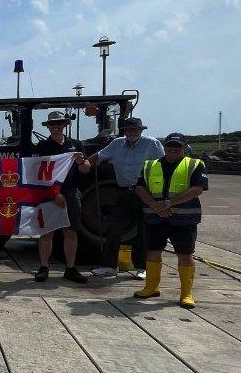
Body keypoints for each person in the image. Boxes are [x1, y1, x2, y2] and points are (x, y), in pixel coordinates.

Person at [133, 133, 208, 308]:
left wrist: (168, 204)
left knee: (184, 255)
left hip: (184, 219)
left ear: (184, 148)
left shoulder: (195, 165)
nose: (173, 149)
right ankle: (151, 287)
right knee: (152, 252)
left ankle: (186, 294)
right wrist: (155, 206)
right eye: (170, 145)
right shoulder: (149, 165)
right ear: (164, 147)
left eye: (178, 146)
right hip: (155, 218)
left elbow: (197, 189)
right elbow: (139, 188)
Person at [87, 117, 164, 279]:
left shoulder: (152, 144)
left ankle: (142, 267)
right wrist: (83, 165)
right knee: (114, 228)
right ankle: (109, 265)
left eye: (134, 130)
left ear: (141, 130)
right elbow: (99, 156)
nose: (131, 133)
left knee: (143, 230)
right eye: (128, 130)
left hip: (147, 192)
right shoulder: (116, 144)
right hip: (124, 192)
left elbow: (165, 165)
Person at [33, 112, 92, 283]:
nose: (56, 126)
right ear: (48, 126)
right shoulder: (43, 146)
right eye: (53, 124)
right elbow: (39, 174)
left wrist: (81, 161)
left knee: (71, 231)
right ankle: (44, 267)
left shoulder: (76, 144)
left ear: (64, 124)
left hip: (71, 192)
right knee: (47, 232)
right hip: (50, 193)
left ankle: (71, 267)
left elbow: (86, 169)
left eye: (59, 123)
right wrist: (54, 193)